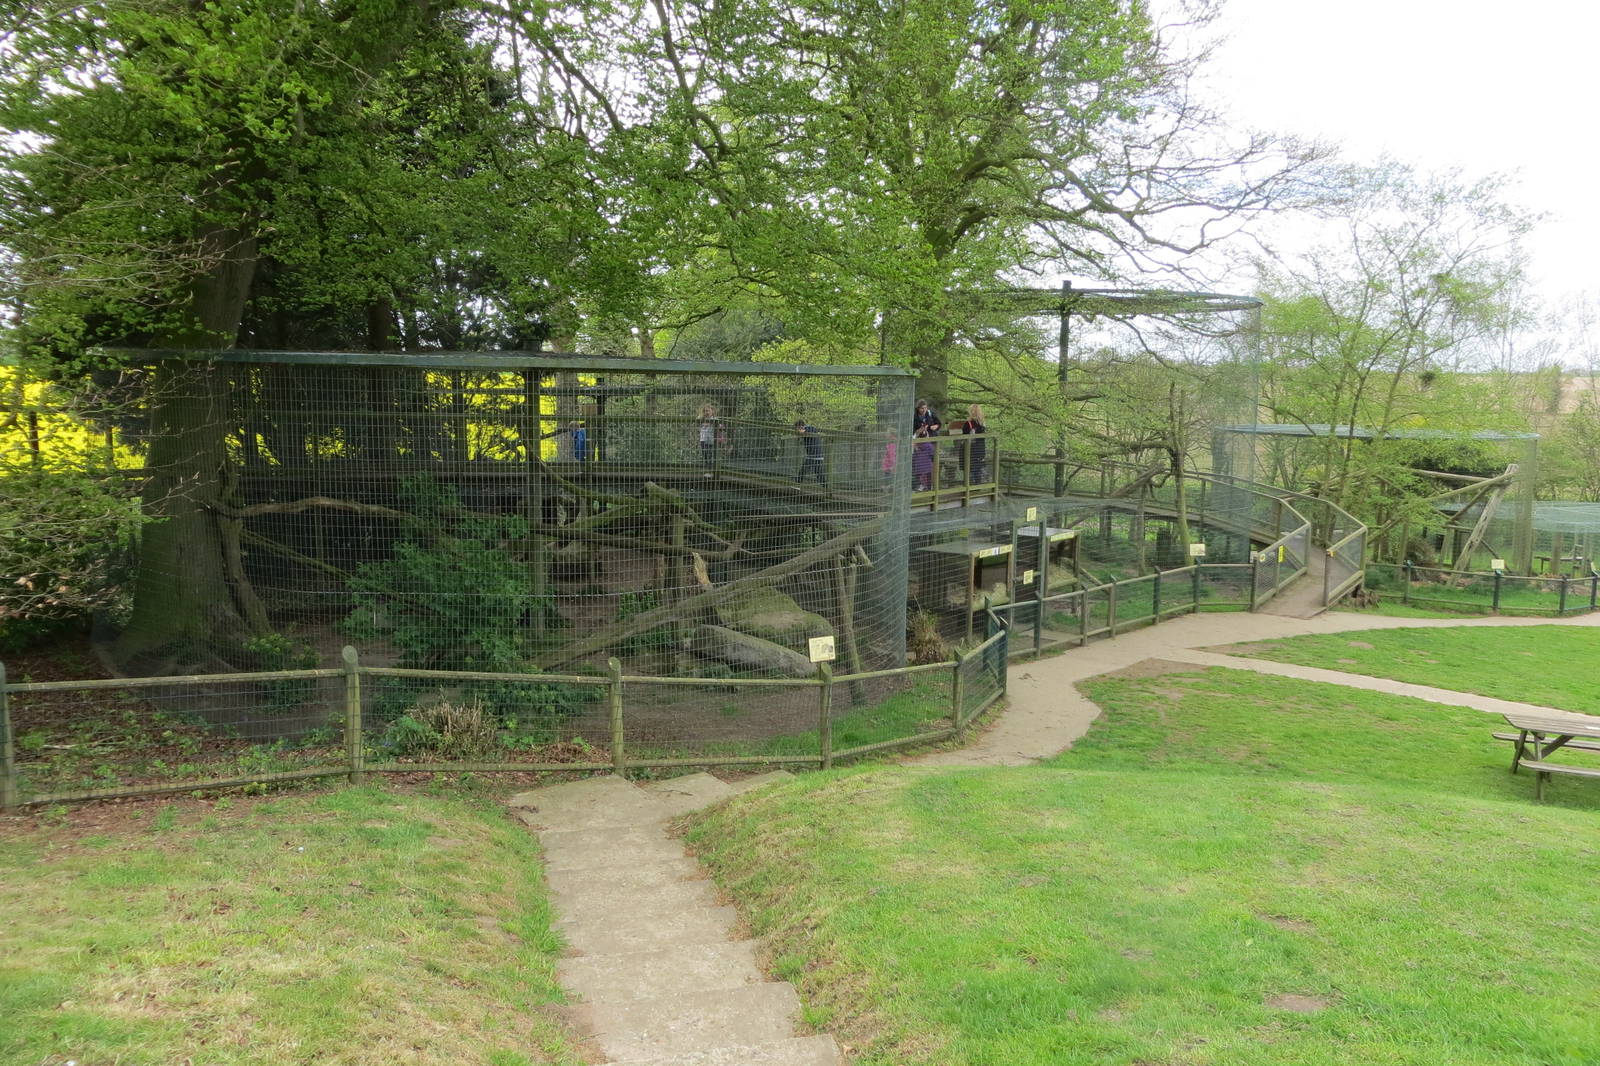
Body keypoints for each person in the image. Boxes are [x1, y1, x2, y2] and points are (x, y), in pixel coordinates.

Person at [793, 420, 826, 485]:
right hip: (816, 455)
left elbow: (803, 432)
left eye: (796, 428)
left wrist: (800, 433)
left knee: (803, 471)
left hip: (814, 455)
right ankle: (825, 487)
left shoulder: (809, 428)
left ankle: (797, 485)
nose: (796, 430)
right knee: (819, 473)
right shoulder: (810, 429)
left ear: (800, 426)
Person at [964, 403, 988, 482]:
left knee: (970, 469)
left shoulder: (968, 423)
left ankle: (970, 487)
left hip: (971, 449)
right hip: (980, 449)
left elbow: (964, 434)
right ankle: (977, 487)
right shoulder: (983, 423)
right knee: (978, 469)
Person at [911, 424, 935, 491]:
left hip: (919, 466)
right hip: (927, 466)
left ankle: (919, 486)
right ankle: (929, 487)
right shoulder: (930, 446)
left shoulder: (917, 446)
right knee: (928, 477)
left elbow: (915, 455)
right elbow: (932, 454)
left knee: (918, 477)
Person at [697, 403, 717, 478]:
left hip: (711, 441)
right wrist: (702, 417)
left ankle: (711, 472)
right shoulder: (702, 418)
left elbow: (714, 423)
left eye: (708, 411)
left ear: (712, 411)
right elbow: (697, 419)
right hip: (703, 440)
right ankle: (707, 471)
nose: (706, 412)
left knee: (710, 456)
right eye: (704, 411)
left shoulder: (714, 419)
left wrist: (707, 423)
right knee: (705, 455)